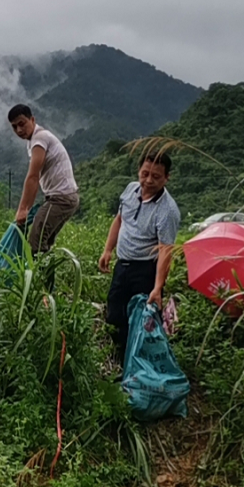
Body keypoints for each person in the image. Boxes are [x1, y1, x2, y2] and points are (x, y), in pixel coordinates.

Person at [98, 151, 180, 361]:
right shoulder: (130, 190)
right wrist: (108, 249)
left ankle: (137, 366)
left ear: (167, 178)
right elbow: (119, 220)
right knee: (115, 314)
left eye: (156, 176)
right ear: (139, 171)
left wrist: (158, 287)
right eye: (145, 174)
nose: (149, 180)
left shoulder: (167, 210)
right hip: (122, 264)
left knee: (142, 320)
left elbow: (165, 250)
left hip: (145, 270)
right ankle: (119, 360)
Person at [8, 104, 79, 253]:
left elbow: (33, 176)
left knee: (36, 241)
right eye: (14, 127)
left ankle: (37, 276)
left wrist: (23, 209)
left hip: (61, 198)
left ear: (32, 120)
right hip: (63, 198)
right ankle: (45, 275)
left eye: (22, 124)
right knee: (44, 243)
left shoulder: (40, 138)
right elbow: (36, 177)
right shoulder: (35, 140)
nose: (19, 130)